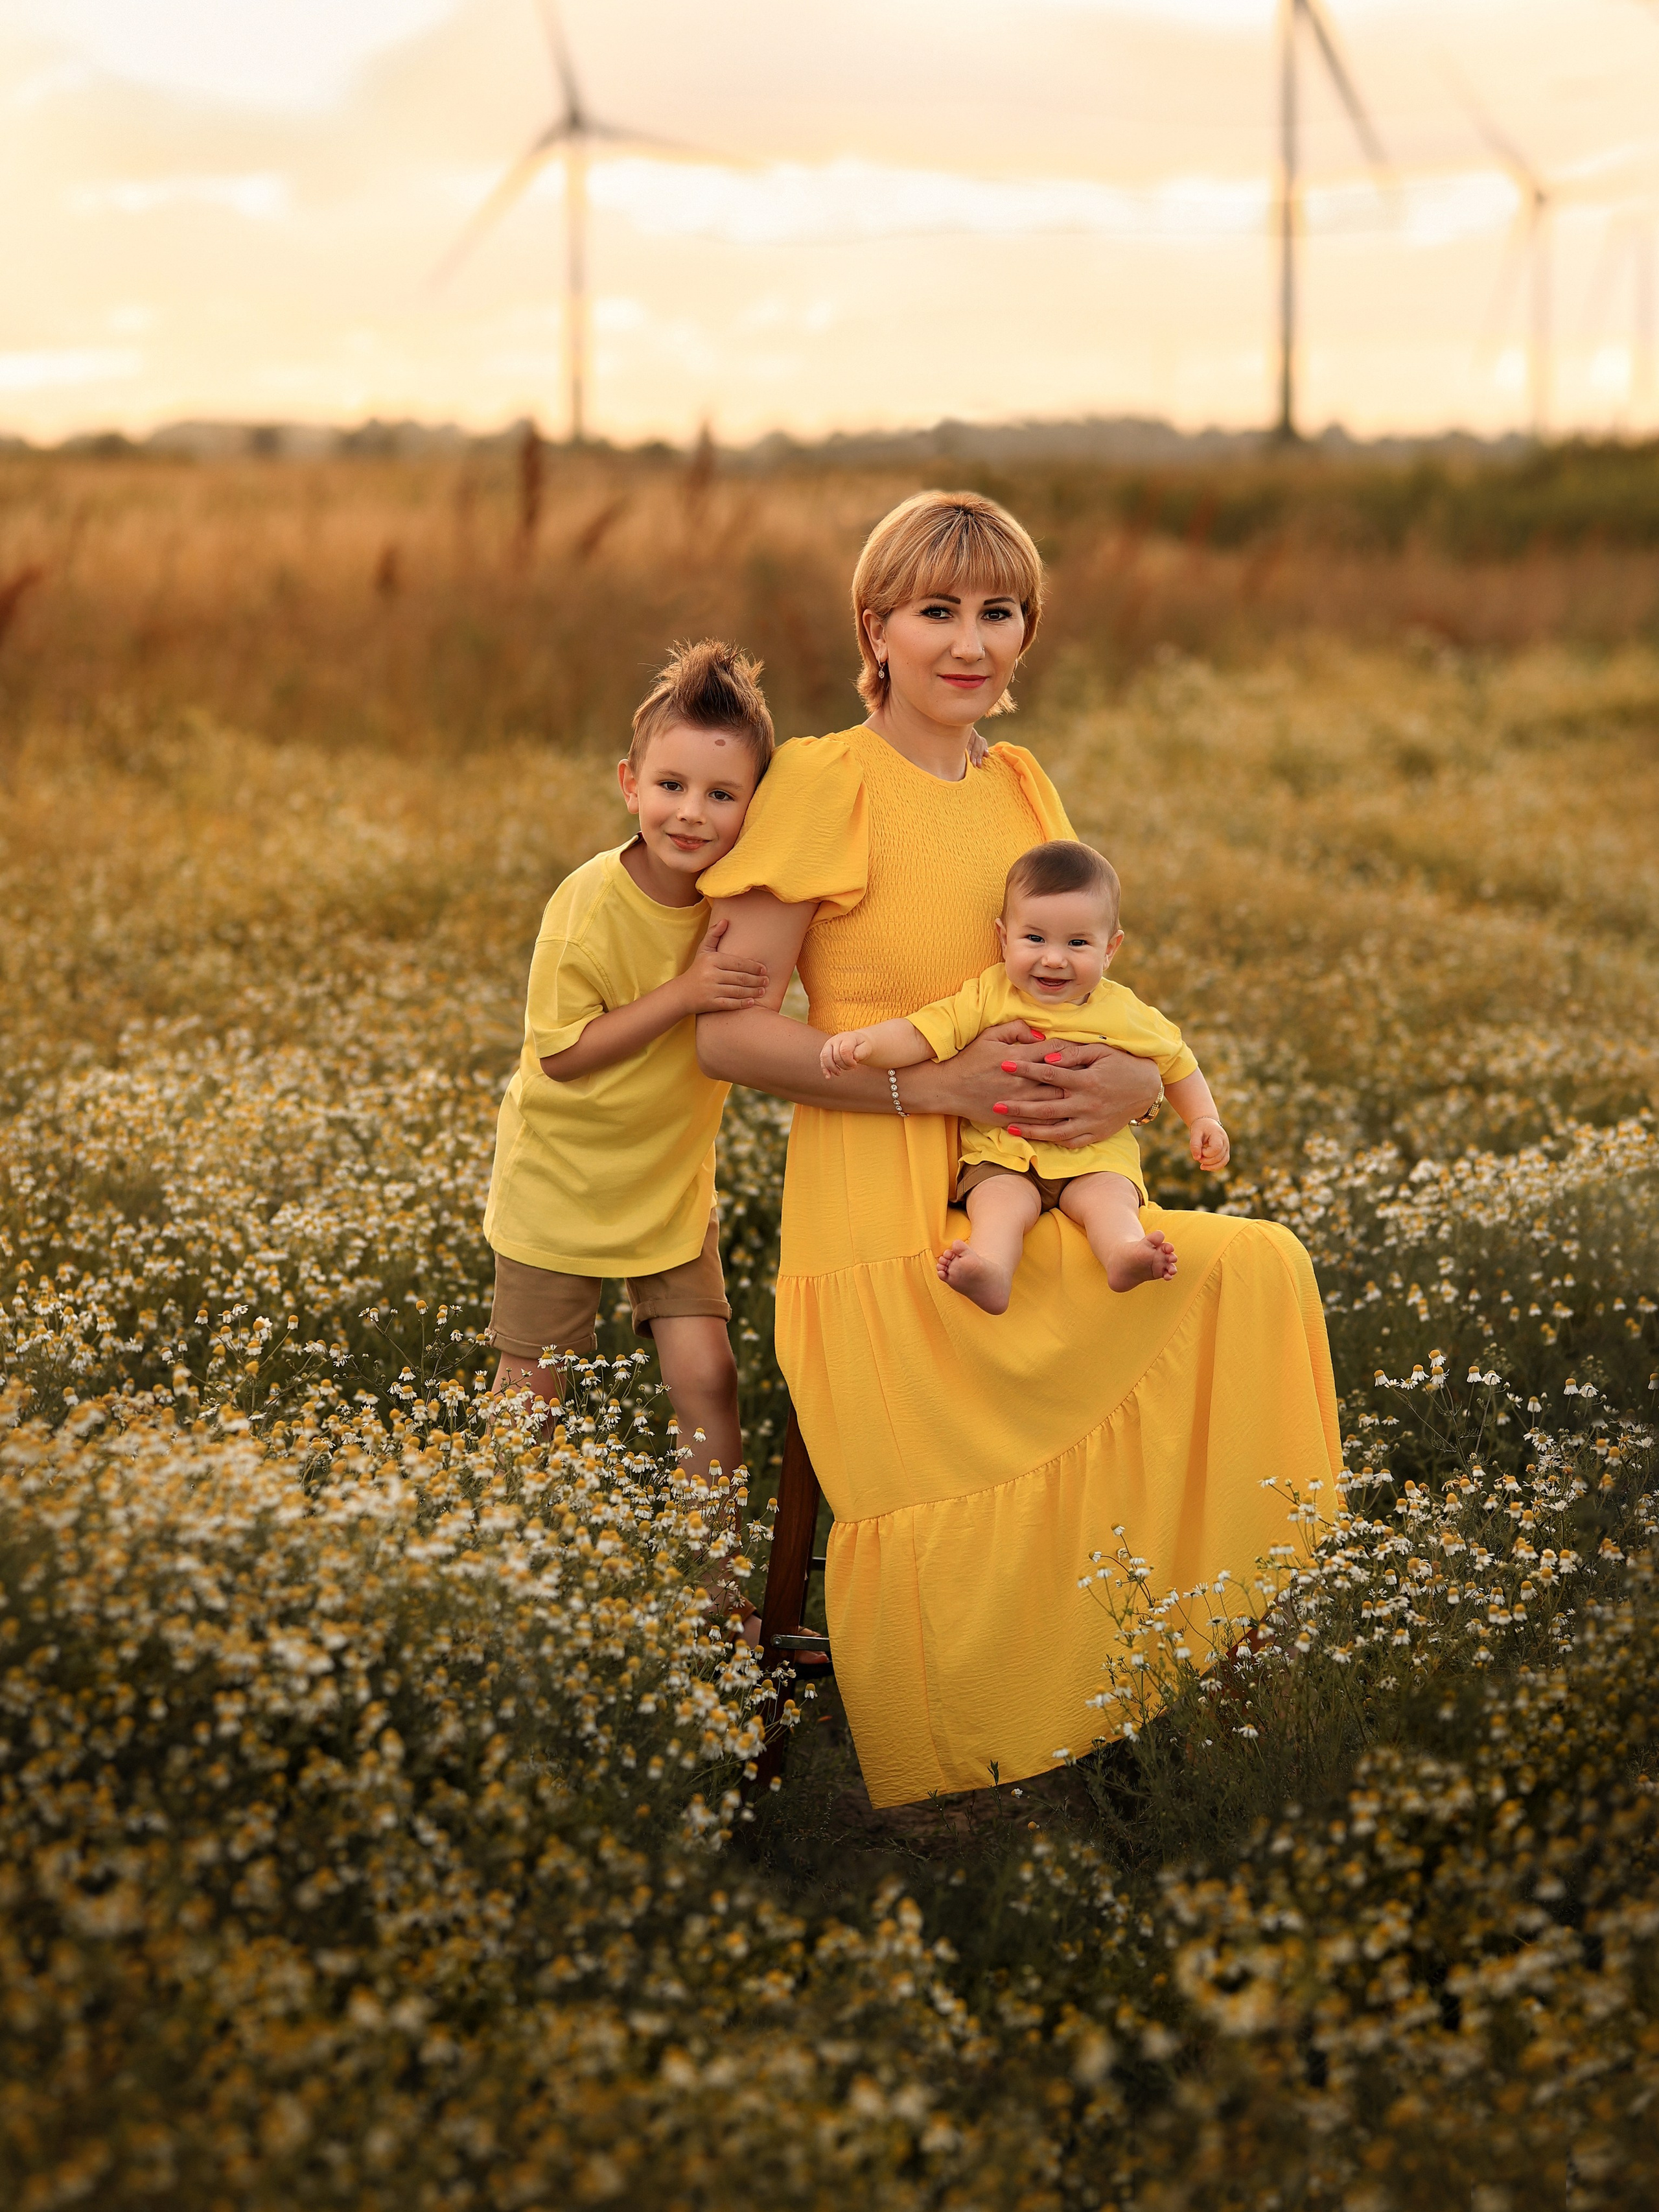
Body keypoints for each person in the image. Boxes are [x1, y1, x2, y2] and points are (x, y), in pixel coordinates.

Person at [695, 490, 1341, 1810]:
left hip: (1043, 1185)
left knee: (1256, 1267)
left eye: (998, 611)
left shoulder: (1021, 785)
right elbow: (727, 1034)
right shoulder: (824, 780)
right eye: (936, 610)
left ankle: (1158, 1671)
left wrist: (1133, 1080)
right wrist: (935, 1083)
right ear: (874, 628)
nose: (968, 641)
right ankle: (983, 1744)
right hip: (888, 1215)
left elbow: (1073, 981)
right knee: (1189, 1283)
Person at [481, 639, 773, 1515]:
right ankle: (500, 1556)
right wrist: (685, 994)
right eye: (670, 785)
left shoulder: (743, 904)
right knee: (533, 1387)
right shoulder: (588, 906)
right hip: (559, 1179)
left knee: (708, 1375)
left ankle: (718, 1576)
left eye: (721, 795)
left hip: (668, 1184)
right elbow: (561, 1055)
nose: (690, 814)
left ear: (756, 806)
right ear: (629, 784)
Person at [818, 837, 1229, 1312]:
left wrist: (1204, 1119)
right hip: (1003, 1154)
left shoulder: (1124, 1011)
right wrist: (867, 1043)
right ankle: (992, 1269)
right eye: (1035, 939)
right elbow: (921, 1033)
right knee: (998, 1206)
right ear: (1003, 938)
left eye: (1078, 943)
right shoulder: (989, 996)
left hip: (1093, 1155)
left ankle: (1124, 1254)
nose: (1054, 958)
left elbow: (1178, 1063)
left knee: (1110, 1201)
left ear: (1110, 949)